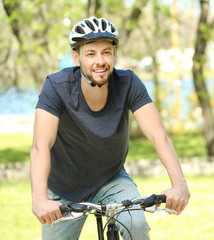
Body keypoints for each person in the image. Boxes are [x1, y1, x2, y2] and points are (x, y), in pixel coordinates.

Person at [30, 16, 190, 240]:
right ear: (76, 57)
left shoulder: (128, 84)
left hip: (111, 179)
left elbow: (158, 136)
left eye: (106, 52)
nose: (100, 60)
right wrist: (39, 198)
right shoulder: (56, 87)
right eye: (91, 53)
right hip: (63, 187)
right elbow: (40, 146)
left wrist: (179, 184)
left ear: (114, 54)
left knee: (136, 225)